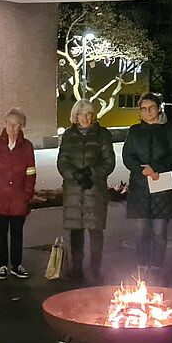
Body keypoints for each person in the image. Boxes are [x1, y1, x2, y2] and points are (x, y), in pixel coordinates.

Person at [122, 93, 172, 277]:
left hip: (162, 185)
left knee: (159, 232)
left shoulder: (169, 130)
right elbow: (127, 156)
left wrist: (155, 168)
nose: (148, 112)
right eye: (144, 109)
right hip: (140, 187)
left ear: (159, 108)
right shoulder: (134, 131)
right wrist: (143, 170)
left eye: (151, 108)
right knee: (141, 231)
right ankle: (141, 269)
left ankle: (156, 269)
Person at [57, 99, 116, 282]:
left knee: (95, 231)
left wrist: (91, 173)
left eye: (89, 113)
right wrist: (74, 174)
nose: (86, 118)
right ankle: (77, 269)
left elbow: (109, 162)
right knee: (76, 232)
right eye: (82, 114)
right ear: (75, 116)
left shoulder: (102, 135)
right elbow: (62, 161)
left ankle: (95, 270)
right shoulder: (68, 135)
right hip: (74, 191)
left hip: (95, 191)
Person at [0, 108, 36, 280]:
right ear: (5, 124)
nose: (13, 128)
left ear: (22, 126)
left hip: (19, 199)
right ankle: (2, 266)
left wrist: (27, 193)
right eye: (10, 124)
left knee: (17, 234)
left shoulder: (27, 146)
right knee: (0, 235)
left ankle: (17, 265)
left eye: (17, 125)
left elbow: (31, 172)